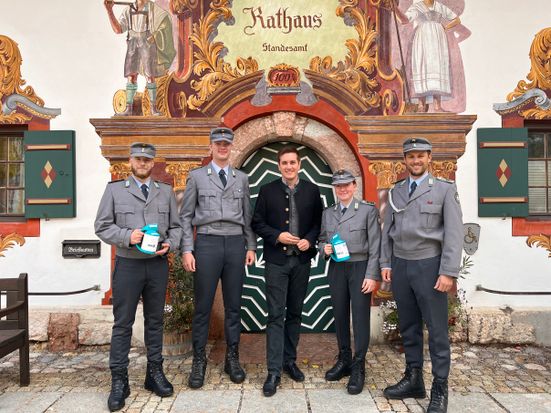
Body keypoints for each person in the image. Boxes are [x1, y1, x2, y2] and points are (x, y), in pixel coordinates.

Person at [95, 142, 182, 412]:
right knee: (123, 324)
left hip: (156, 265)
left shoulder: (165, 191)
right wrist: (126, 236)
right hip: (128, 265)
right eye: (138, 159)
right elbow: (102, 226)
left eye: (147, 160)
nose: (142, 163)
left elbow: (177, 227)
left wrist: (171, 244)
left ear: (153, 163)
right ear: (130, 161)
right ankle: (119, 380)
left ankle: (154, 373)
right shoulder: (115, 190)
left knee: (155, 321)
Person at [380, 137, 463, 413]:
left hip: (429, 265)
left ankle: (440, 387)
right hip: (401, 265)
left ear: (429, 158)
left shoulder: (443, 189)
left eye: (420, 156)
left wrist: (448, 272)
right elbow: (387, 231)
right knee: (409, 326)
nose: (415, 160)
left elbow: (454, 233)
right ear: (404, 160)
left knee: (437, 330)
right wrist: (386, 262)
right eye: (411, 156)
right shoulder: (396, 191)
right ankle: (414, 379)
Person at [180, 127, 256, 389]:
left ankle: (232, 359)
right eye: (218, 143)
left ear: (231, 147)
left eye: (226, 144)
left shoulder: (241, 178)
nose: (223, 147)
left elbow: (247, 216)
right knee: (202, 307)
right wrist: (187, 249)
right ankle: (199, 360)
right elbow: (185, 217)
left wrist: (251, 246)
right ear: (210, 146)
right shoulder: (197, 177)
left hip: (235, 243)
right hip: (208, 242)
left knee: (234, 306)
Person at [251, 145, 323, 397]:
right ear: (279, 165)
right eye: (285, 163)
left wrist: (309, 240)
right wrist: (276, 236)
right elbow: (256, 222)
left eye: (293, 162)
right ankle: (273, 371)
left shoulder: (313, 190)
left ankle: (289, 361)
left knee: (294, 314)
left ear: (299, 164)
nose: (289, 166)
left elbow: (319, 223)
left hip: (301, 262)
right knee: (275, 315)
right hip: (276, 262)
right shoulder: (267, 190)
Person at [318, 169, 381, 395]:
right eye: (338, 186)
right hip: (337, 266)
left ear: (354, 186)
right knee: (340, 314)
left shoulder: (367, 210)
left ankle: (359, 364)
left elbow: (376, 245)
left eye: (346, 185)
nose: (342, 189)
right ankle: (344, 359)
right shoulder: (328, 213)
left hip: (360, 266)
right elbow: (322, 239)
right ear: (334, 188)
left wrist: (371, 275)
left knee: (360, 316)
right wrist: (323, 249)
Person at [104, 0, 176, 116]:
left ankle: (153, 108)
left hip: (146, 43)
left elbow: (165, 20)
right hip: (132, 43)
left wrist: (155, 36)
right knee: (131, 76)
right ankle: (129, 109)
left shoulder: (152, 9)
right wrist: (109, 11)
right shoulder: (129, 10)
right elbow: (118, 29)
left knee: (150, 75)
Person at [394, 0, 461, 112]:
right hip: (422, 39)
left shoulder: (439, 6)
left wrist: (445, 27)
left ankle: (437, 106)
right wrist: (395, 9)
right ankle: (421, 105)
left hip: (438, 39)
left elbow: (457, 20)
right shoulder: (417, 6)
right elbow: (404, 20)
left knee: (438, 67)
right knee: (422, 66)